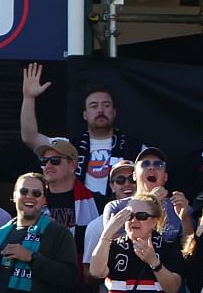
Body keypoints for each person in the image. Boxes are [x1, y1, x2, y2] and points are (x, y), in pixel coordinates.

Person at [19, 67, 138, 198]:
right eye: (94, 106)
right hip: (80, 211)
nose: (100, 110)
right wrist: (29, 98)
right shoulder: (68, 146)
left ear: (114, 112)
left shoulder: (134, 147)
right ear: (85, 114)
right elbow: (29, 137)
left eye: (106, 105)